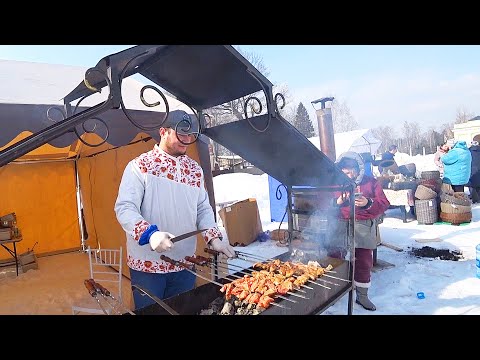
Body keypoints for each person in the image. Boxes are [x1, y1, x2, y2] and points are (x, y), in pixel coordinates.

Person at [114, 110, 236, 311]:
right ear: (163, 131)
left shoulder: (195, 170)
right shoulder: (140, 166)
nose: (187, 140)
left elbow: (203, 208)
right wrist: (150, 234)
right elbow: (125, 208)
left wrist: (214, 239)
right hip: (148, 267)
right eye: (181, 134)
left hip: (185, 264)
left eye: (191, 135)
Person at [328, 151, 390, 311]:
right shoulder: (334, 184)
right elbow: (323, 206)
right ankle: (334, 290)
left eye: (351, 171)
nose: (348, 174)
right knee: (335, 257)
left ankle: (362, 296)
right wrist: (337, 202)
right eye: (345, 171)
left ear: (358, 169)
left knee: (363, 260)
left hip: (362, 224)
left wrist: (367, 202)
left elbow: (384, 203)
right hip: (340, 224)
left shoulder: (371, 182)